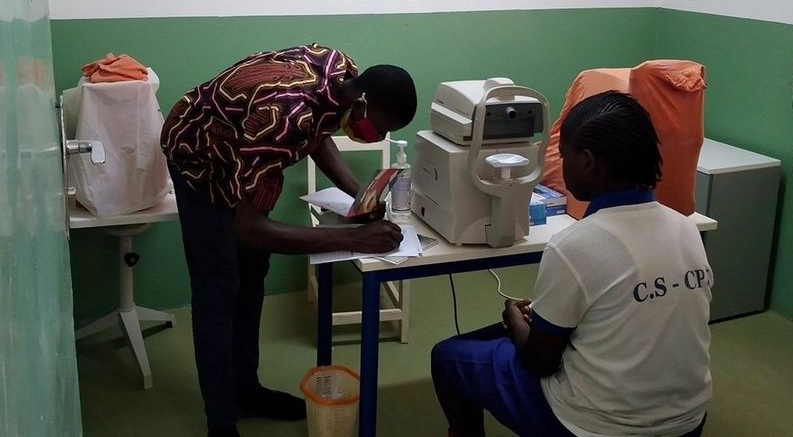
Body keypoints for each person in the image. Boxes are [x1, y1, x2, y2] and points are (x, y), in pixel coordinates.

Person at [160, 44, 417, 437]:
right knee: (218, 289)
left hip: (241, 145)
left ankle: (246, 390)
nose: (377, 136)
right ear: (363, 101)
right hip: (199, 155)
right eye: (381, 127)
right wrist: (357, 238)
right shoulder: (282, 117)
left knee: (252, 272)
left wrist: (360, 198)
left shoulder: (339, 71)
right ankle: (221, 421)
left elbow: (316, 134)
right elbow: (251, 228)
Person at [430, 91, 712, 437]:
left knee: (448, 356)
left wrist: (516, 320)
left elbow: (540, 362)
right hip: (688, 422)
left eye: (564, 155)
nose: (560, 165)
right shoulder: (685, 228)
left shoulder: (575, 244)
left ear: (589, 162)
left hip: (596, 426)